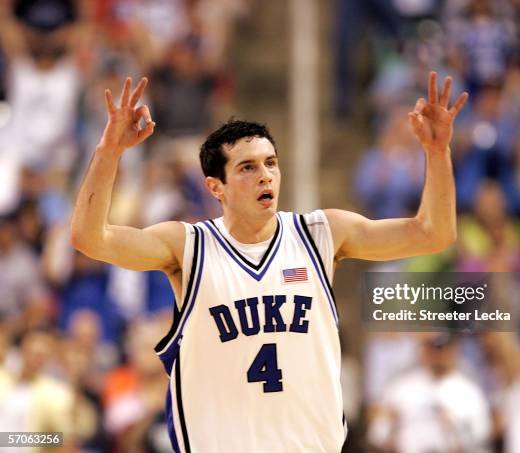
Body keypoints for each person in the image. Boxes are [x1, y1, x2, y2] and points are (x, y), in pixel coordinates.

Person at [71, 72, 468, 452]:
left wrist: (437, 152)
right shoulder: (188, 245)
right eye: (247, 167)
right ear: (216, 187)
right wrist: (109, 152)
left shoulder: (321, 233)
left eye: (271, 163)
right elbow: (90, 238)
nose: (266, 176)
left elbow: (434, 233)